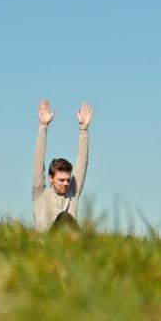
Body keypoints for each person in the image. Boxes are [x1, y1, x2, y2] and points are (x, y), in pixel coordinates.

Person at [32, 98, 92, 232]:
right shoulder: (39, 193)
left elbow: (83, 162)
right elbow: (38, 160)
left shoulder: (72, 195)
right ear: (50, 178)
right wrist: (43, 128)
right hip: (46, 245)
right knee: (64, 216)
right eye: (61, 180)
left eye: (68, 180)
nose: (66, 183)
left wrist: (84, 129)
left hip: (70, 248)